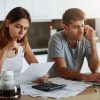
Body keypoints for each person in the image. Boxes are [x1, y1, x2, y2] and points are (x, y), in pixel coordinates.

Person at [48, 8, 100, 82]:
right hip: (55, 83)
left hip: (74, 83)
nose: (81, 31)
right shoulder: (56, 39)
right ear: (65, 27)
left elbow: (94, 69)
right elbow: (61, 70)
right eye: (75, 27)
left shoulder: (85, 39)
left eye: (82, 26)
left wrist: (92, 41)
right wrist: (86, 77)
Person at [0, 7, 48, 83]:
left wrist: (42, 76)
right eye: (18, 27)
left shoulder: (23, 43)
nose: (22, 32)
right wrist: (5, 50)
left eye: (25, 28)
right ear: (7, 23)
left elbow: (36, 68)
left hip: (18, 89)